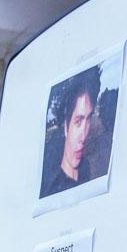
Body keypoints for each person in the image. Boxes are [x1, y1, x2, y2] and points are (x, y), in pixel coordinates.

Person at [40, 66, 101, 197]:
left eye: (88, 119)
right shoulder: (50, 186)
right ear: (66, 126)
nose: (84, 135)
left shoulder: (86, 168)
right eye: (78, 122)